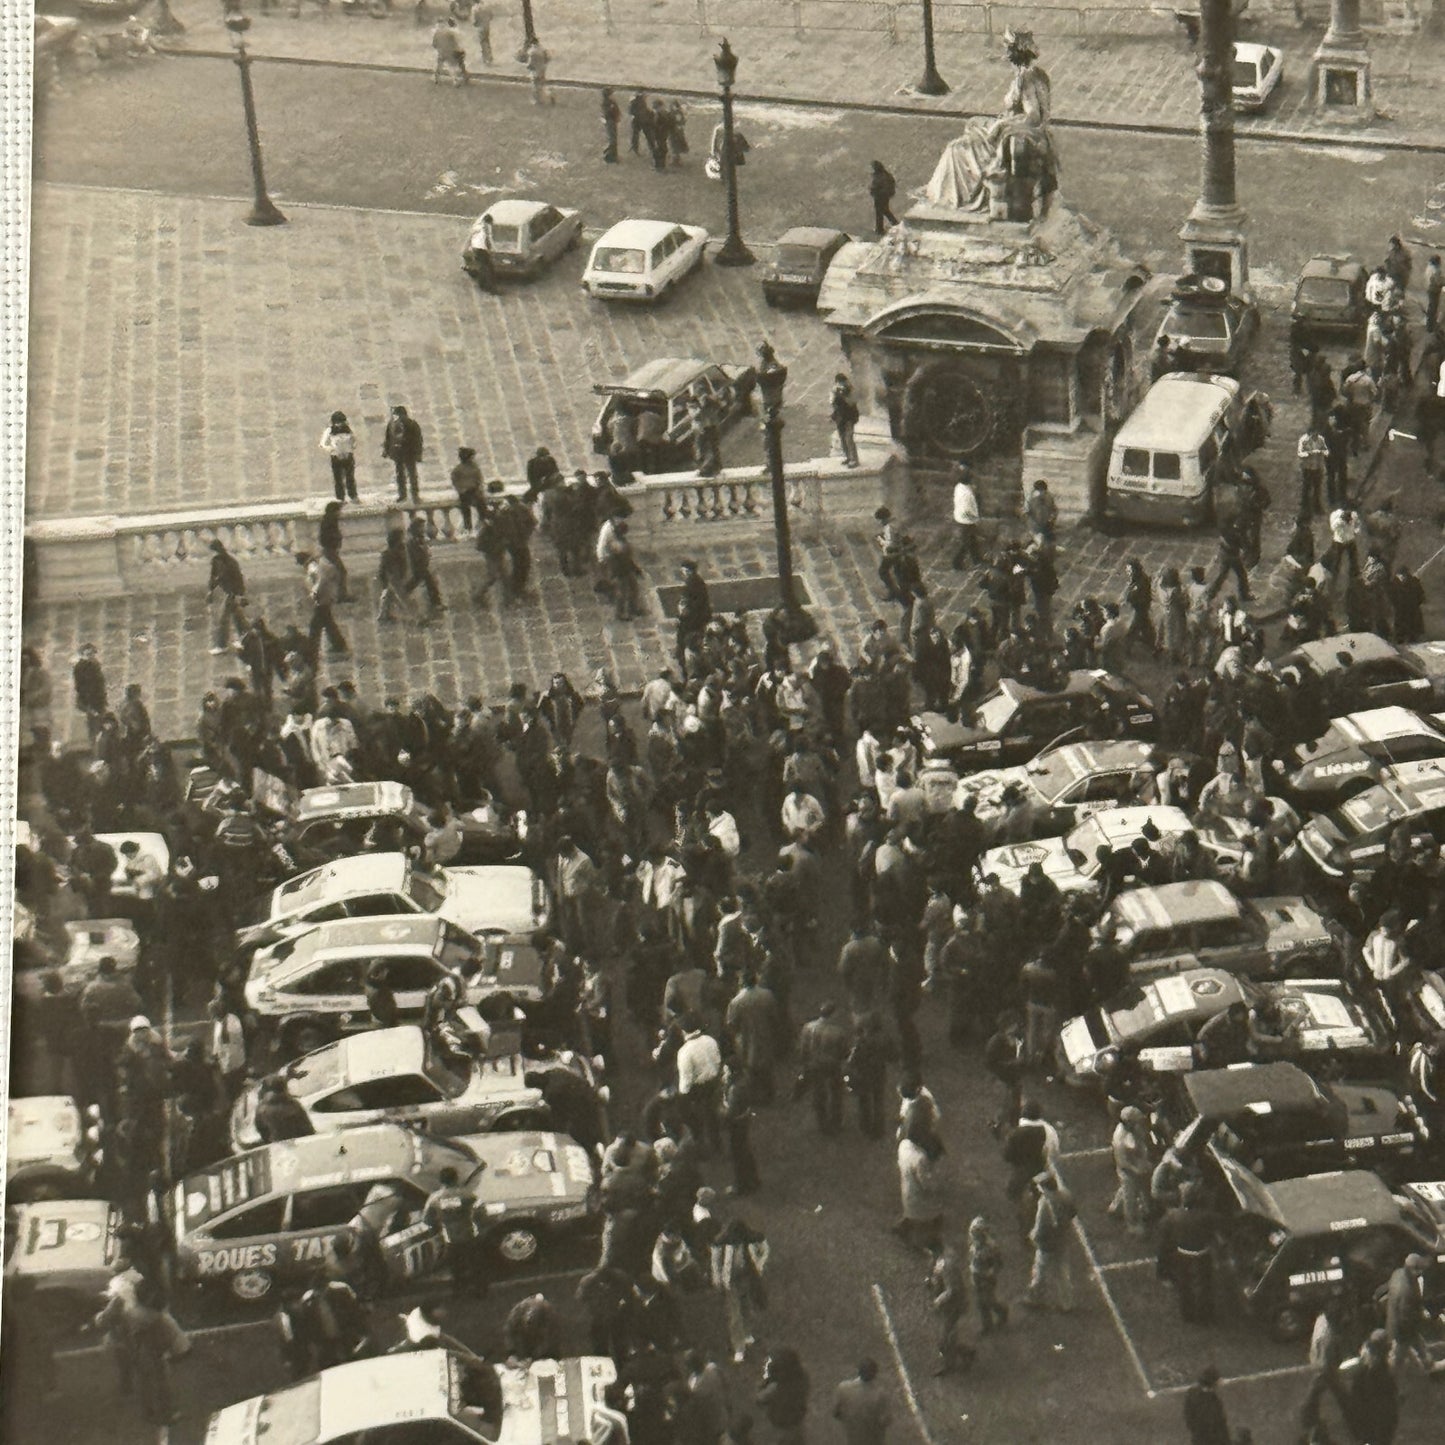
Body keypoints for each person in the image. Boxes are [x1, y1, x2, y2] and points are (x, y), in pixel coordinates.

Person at [712, 1219, 769, 1363]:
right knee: (735, 1315)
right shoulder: (720, 1244)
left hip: (745, 1278)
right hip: (730, 1282)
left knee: (746, 1307)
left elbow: (764, 1250)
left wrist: (759, 1265)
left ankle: (747, 1334)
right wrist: (718, 1280)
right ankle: (739, 1347)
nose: (737, 1243)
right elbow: (716, 1264)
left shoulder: (750, 1240)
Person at [423, 1165, 486, 1296]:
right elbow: (482, 1210)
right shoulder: (468, 1195)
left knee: (456, 1267)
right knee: (476, 1264)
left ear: (441, 1181)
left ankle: (459, 1292)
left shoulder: (435, 1199)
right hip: (470, 1234)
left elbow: (427, 1219)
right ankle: (480, 1291)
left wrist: (437, 1227)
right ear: (456, 1179)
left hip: (450, 1238)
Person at [1023, 1171, 1075, 1313]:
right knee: (1062, 1272)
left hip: (1047, 1244)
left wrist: (1033, 1238)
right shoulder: (1066, 1194)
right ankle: (1067, 1303)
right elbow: (1072, 1213)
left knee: (1039, 1271)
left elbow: (1041, 1227)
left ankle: (1035, 1298)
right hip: (1062, 1239)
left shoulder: (1045, 1204)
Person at [929, 1240, 974, 1376]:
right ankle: (966, 1352)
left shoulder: (946, 1265)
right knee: (947, 1336)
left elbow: (951, 1290)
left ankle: (949, 1364)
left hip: (952, 1306)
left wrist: (938, 1301)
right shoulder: (942, 1260)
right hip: (949, 1306)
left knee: (944, 1340)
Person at [756, 1348, 809, 1445]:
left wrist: (763, 1383)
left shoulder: (775, 1388)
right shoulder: (803, 1377)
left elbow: (759, 1399)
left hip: (781, 1422)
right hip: (797, 1418)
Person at [832, 1359, 891, 1444]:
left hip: (852, 1438)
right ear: (875, 1374)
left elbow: (836, 1413)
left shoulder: (843, 1388)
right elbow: (886, 1420)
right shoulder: (880, 1394)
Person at [207, 539, 248, 655]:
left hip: (232, 593)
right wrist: (210, 591)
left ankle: (221, 645)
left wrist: (240, 595)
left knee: (223, 619)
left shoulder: (231, 563)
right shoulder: (216, 561)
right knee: (238, 619)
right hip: (228, 592)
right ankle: (246, 640)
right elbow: (213, 576)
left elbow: (239, 580)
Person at [382, 405, 424, 503]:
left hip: (404, 453)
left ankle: (408, 495)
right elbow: (388, 439)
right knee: (407, 474)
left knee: (406, 474)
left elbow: (418, 440)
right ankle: (409, 495)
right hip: (403, 453)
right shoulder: (398, 424)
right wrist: (387, 450)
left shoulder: (406, 424)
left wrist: (387, 451)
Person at [1182, 1365, 1231, 1445]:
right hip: (1211, 1439)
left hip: (1200, 1438)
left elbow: (1189, 1419)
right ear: (1213, 1382)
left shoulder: (1192, 1395)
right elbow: (1220, 1423)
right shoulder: (1212, 1400)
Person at [951, 466, 980, 568]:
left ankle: (977, 559)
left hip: (960, 517)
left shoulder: (959, 487)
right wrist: (975, 519)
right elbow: (967, 510)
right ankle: (956, 563)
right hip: (966, 521)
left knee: (972, 540)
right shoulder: (967, 494)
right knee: (966, 543)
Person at [830, 374, 860, 468]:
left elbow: (851, 402)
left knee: (848, 438)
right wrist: (836, 394)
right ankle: (848, 457)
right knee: (843, 438)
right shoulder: (835, 390)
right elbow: (832, 403)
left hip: (849, 418)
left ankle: (854, 459)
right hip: (840, 417)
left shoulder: (850, 390)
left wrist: (843, 395)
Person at [431, 19, 469, 85]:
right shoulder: (449, 32)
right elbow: (455, 42)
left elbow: (434, 44)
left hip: (442, 51)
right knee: (452, 66)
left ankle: (436, 78)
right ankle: (456, 80)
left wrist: (439, 48)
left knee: (439, 65)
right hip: (451, 51)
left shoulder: (437, 33)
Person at [869, 160, 898, 234]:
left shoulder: (881, 176)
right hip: (883, 196)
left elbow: (879, 186)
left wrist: (874, 190)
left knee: (880, 212)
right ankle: (894, 224)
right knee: (884, 211)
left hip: (880, 196)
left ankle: (880, 229)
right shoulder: (885, 174)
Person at [524, 39, 553, 105]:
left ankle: (537, 101)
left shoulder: (531, 52)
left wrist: (528, 66)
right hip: (542, 70)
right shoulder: (542, 50)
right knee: (542, 85)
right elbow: (548, 58)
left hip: (534, 71)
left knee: (535, 86)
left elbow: (530, 63)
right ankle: (549, 95)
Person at [600, 86, 621, 163]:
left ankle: (613, 155)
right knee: (612, 139)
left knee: (613, 139)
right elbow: (606, 113)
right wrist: (611, 108)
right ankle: (609, 156)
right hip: (610, 122)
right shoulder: (606, 103)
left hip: (613, 121)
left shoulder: (611, 101)